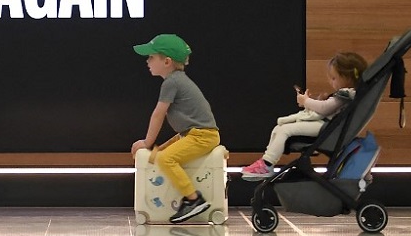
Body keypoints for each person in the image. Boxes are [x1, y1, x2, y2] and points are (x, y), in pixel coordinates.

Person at [131, 33, 221, 223]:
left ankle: (194, 199)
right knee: (156, 157)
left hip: (201, 136)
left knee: (165, 158)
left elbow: (158, 114)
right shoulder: (177, 80)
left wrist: (147, 142)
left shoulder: (171, 82)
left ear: (167, 62)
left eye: (151, 57)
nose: (147, 61)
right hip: (191, 134)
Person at [240, 51, 367, 180]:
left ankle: (267, 164)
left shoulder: (346, 93)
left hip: (327, 128)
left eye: (334, 78)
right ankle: (266, 161)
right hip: (328, 127)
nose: (331, 82)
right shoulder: (349, 95)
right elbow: (328, 107)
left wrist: (306, 101)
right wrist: (315, 101)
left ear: (348, 77)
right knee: (280, 128)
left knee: (285, 129)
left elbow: (324, 109)